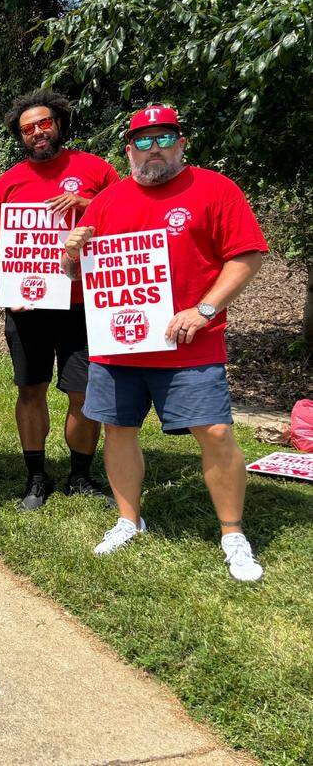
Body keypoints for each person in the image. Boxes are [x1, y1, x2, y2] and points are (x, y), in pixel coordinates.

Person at [62, 104, 268, 581]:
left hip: (189, 342)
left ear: (181, 144)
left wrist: (205, 310)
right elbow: (80, 274)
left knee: (214, 432)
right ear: (128, 150)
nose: (153, 150)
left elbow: (247, 256)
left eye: (163, 138)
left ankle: (233, 533)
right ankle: (128, 520)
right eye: (143, 141)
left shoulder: (215, 189)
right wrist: (71, 254)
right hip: (119, 342)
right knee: (117, 430)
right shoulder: (108, 200)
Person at [0, 89, 120, 510]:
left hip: (83, 305)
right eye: (28, 128)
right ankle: (36, 476)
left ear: (58, 123)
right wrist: (9, 277)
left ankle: (80, 475)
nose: (37, 132)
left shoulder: (95, 169)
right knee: (30, 390)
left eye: (44, 123)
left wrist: (88, 203)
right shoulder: (8, 181)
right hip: (29, 307)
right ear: (19, 136)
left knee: (83, 393)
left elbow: (129, 218)